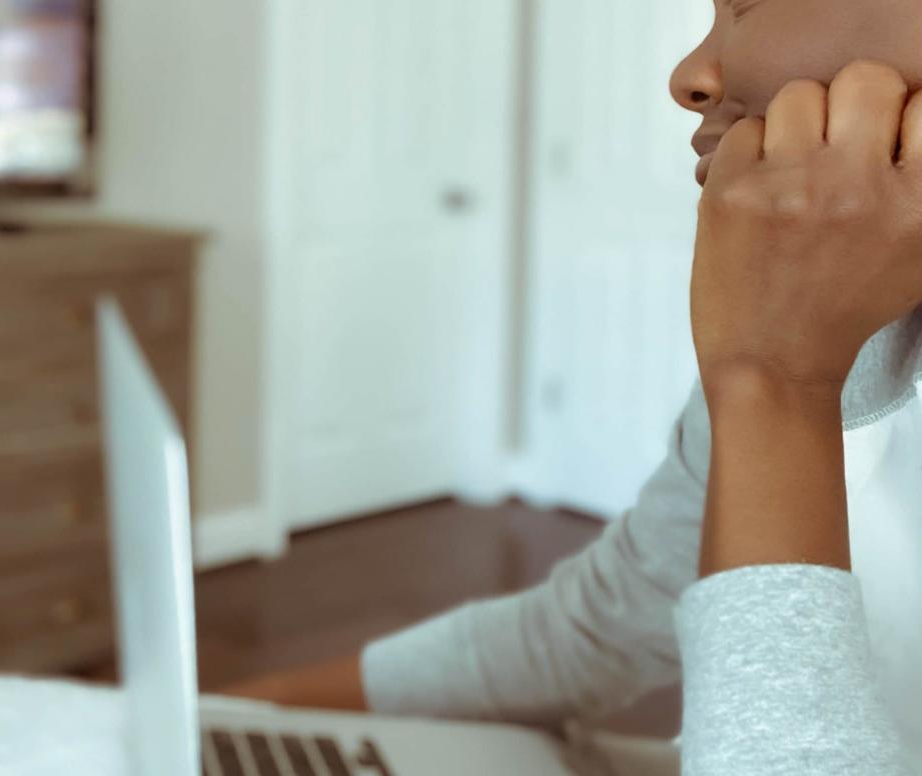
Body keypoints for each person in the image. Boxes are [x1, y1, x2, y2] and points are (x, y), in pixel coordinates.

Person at [229, 0, 922, 772]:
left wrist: (772, 386)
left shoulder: (782, 354)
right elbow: (599, 627)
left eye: (746, 4)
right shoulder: (831, 322)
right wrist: (235, 714)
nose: (688, 77)